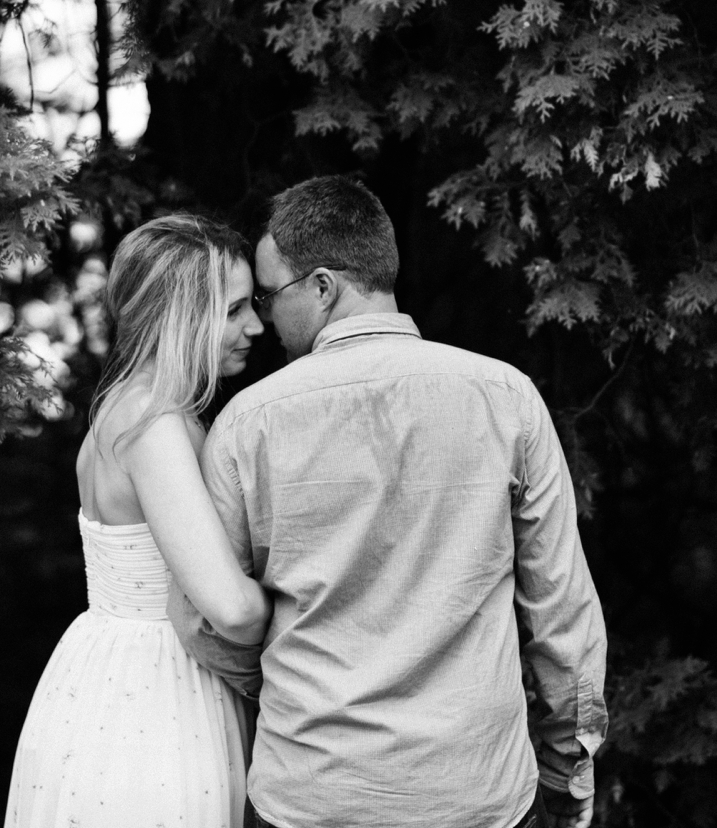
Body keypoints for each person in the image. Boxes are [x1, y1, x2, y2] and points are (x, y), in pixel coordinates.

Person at [168, 176, 608, 828]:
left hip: (312, 793)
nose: (261, 320)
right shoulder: (507, 397)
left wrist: (293, 687)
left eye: (267, 294)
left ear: (322, 287)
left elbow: (204, 620)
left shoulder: (249, 422)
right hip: (478, 796)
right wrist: (566, 773)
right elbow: (563, 619)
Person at [4, 214, 269, 828]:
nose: (255, 325)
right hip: (158, 693)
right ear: (181, 316)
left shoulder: (125, 409)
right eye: (232, 311)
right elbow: (230, 607)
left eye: (252, 305)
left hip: (102, 673)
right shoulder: (155, 423)